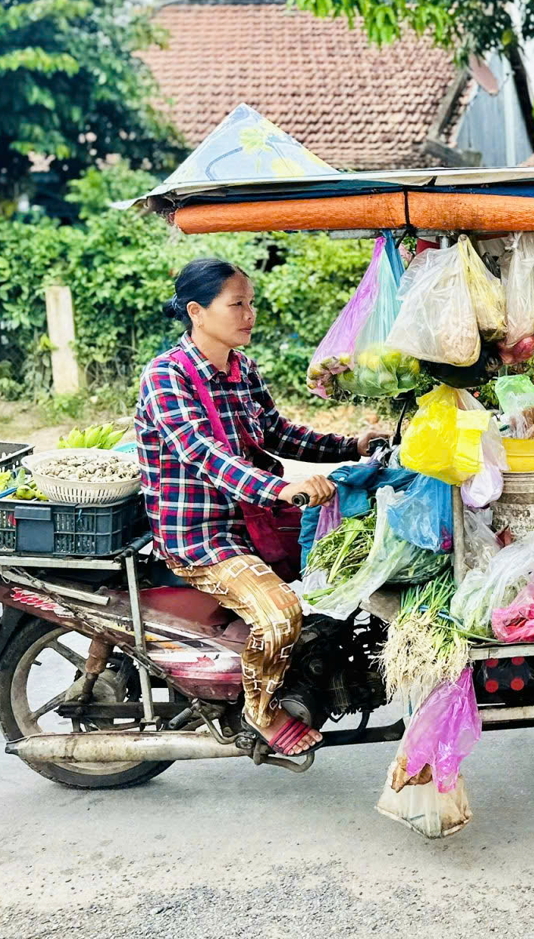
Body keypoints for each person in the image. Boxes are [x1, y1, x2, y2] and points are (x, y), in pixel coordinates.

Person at [136, 259, 387, 755]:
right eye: (237, 304)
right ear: (196, 312)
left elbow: (276, 432)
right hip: (201, 534)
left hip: (253, 520)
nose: (249, 314)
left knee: (349, 559)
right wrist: (280, 490)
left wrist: (351, 446)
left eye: (251, 303)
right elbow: (205, 454)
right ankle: (262, 712)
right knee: (279, 615)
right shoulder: (167, 376)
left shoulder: (241, 367)